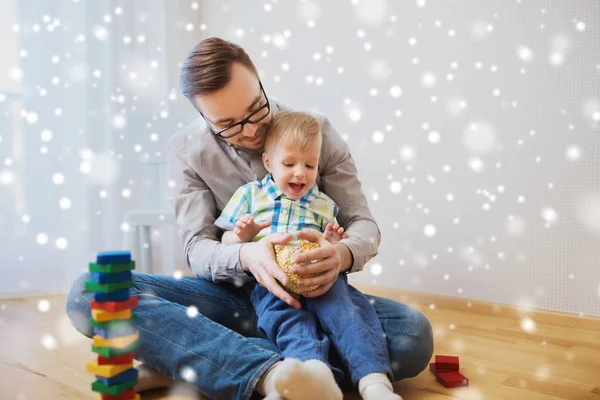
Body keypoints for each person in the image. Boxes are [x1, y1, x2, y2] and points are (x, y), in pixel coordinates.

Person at [65, 37, 433, 400]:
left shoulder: (314, 131)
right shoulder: (187, 152)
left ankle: (197, 359)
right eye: (229, 124)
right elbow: (197, 249)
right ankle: (273, 375)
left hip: (314, 294)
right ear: (202, 116)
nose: (252, 130)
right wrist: (247, 255)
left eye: (257, 109)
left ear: (259, 81)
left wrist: (341, 254)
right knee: (93, 291)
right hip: (232, 296)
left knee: (411, 336)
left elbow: (362, 223)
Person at [215, 109, 402, 400]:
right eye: (289, 163)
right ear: (268, 162)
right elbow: (225, 241)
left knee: (347, 315)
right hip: (272, 282)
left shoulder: (324, 204)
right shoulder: (250, 196)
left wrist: (331, 241)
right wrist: (243, 235)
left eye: (310, 165)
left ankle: (374, 382)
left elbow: (333, 243)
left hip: (321, 279)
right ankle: (310, 378)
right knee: (287, 321)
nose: (300, 172)